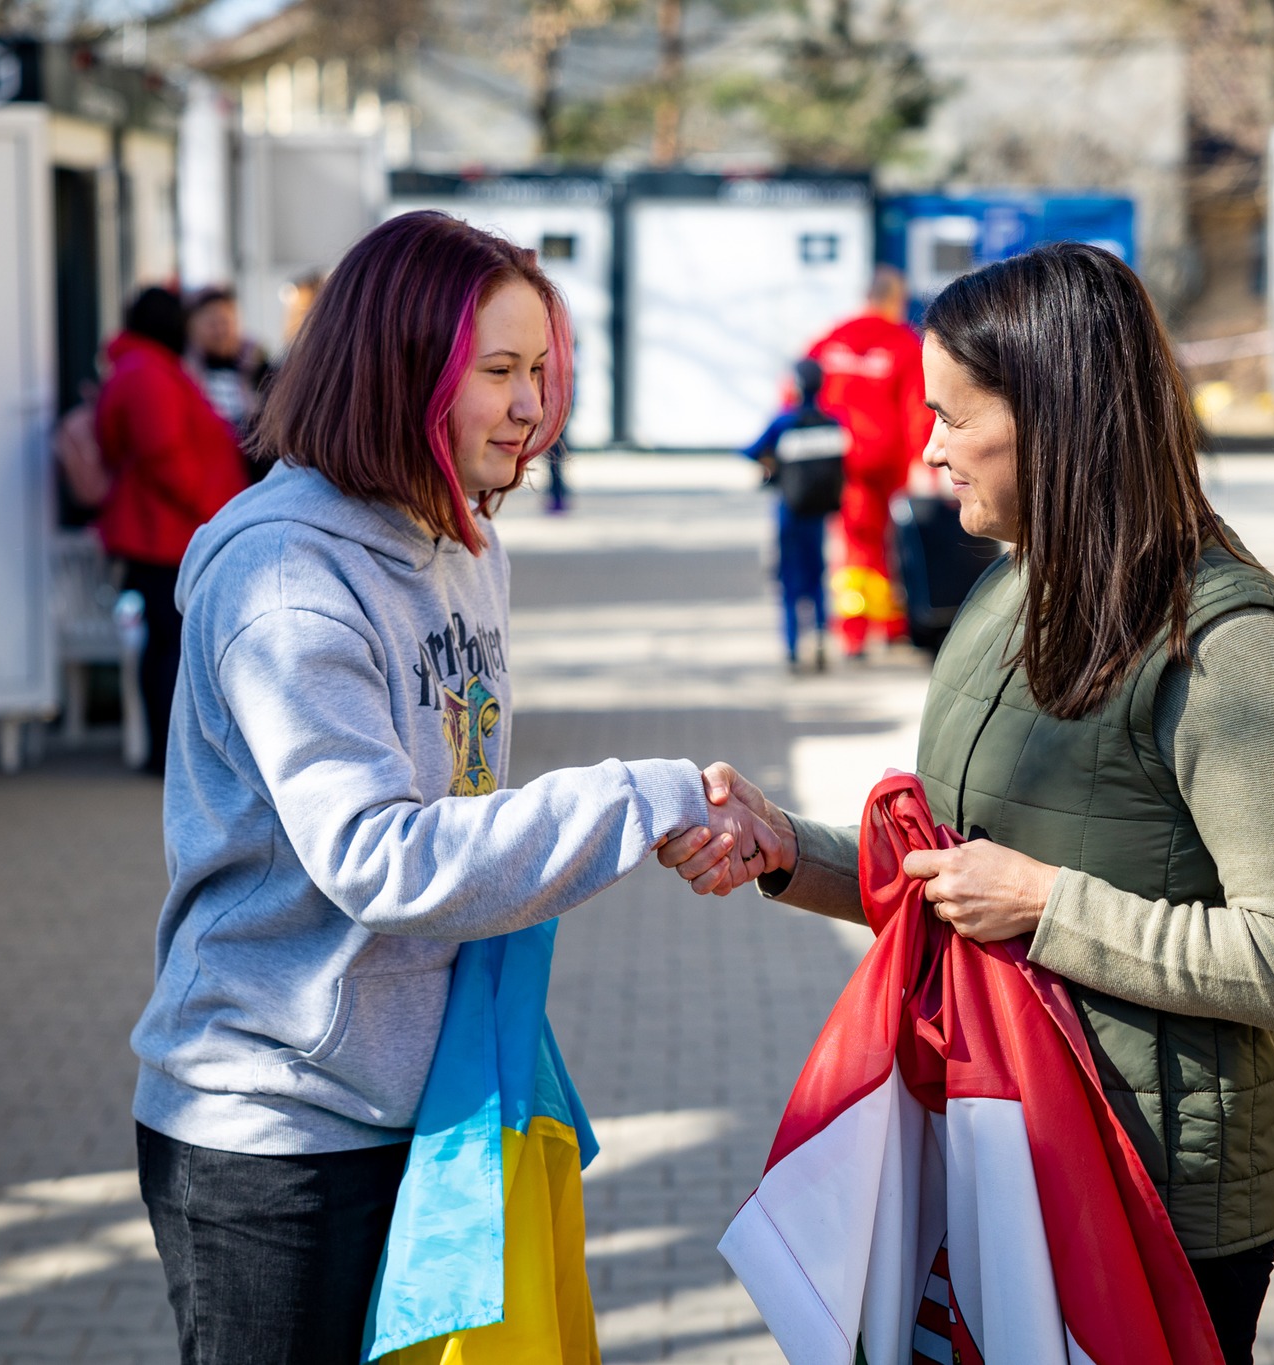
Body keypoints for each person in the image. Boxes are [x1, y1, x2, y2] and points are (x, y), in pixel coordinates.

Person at [665, 242, 1274, 1364]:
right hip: (1000, 1143)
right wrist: (782, 848)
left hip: (1150, 1196)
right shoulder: (1012, 582)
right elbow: (960, 874)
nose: (927, 449)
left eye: (952, 416)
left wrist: (1046, 904)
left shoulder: (1229, 647)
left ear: (1058, 417)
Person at [129, 211, 779, 1365]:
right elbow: (381, 857)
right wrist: (634, 799)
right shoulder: (286, 578)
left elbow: (462, 798)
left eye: (540, 370)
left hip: (426, 1107)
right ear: (399, 370)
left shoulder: (466, 541)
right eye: (499, 373)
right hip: (276, 1133)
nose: (534, 407)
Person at [93, 287, 248, 776]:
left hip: (166, 532)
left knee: (168, 644)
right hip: (166, 536)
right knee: (171, 646)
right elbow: (166, 459)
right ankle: (166, 754)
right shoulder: (148, 374)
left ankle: (167, 751)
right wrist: (215, 512)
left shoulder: (142, 368)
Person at [807, 264, 933, 659]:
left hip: (838, 461)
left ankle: (860, 627)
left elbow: (797, 391)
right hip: (886, 461)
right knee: (884, 543)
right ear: (895, 299)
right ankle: (877, 625)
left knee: (855, 542)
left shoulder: (831, 340)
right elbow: (920, 407)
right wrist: (924, 460)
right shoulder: (902, 343)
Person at [744, 357, 846, 671]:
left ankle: (791, 647)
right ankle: (820, 635)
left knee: (789, 579)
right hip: (819, 513)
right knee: (817, 575)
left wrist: (769, 460)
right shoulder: (833, 421)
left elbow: (748, 450)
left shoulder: (784, 422)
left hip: (789, 511)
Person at [183, 286, 271, 464]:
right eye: (211, 324)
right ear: (192, 327)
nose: (220, 331)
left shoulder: (258, 365)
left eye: (226, 322)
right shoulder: (185, 372)